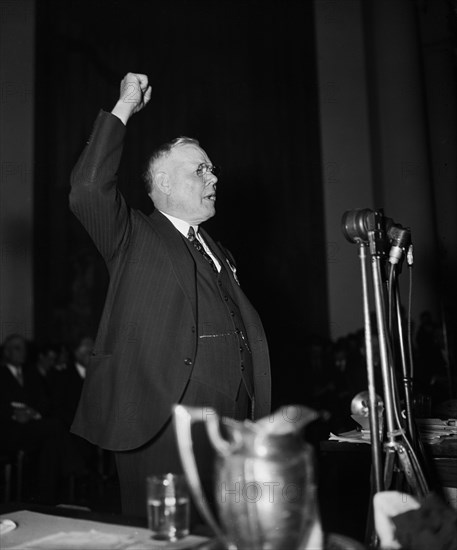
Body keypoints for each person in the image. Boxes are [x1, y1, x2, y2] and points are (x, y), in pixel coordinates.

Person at [69, 72, 271, 518]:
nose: (214, 176)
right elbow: (87, 189)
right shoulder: (134, 236)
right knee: (165, 539)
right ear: (162, 181)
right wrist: (124, 107)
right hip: (160, 424)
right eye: (200, 169)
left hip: (233, 429)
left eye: (213, 168)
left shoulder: (220, 252)